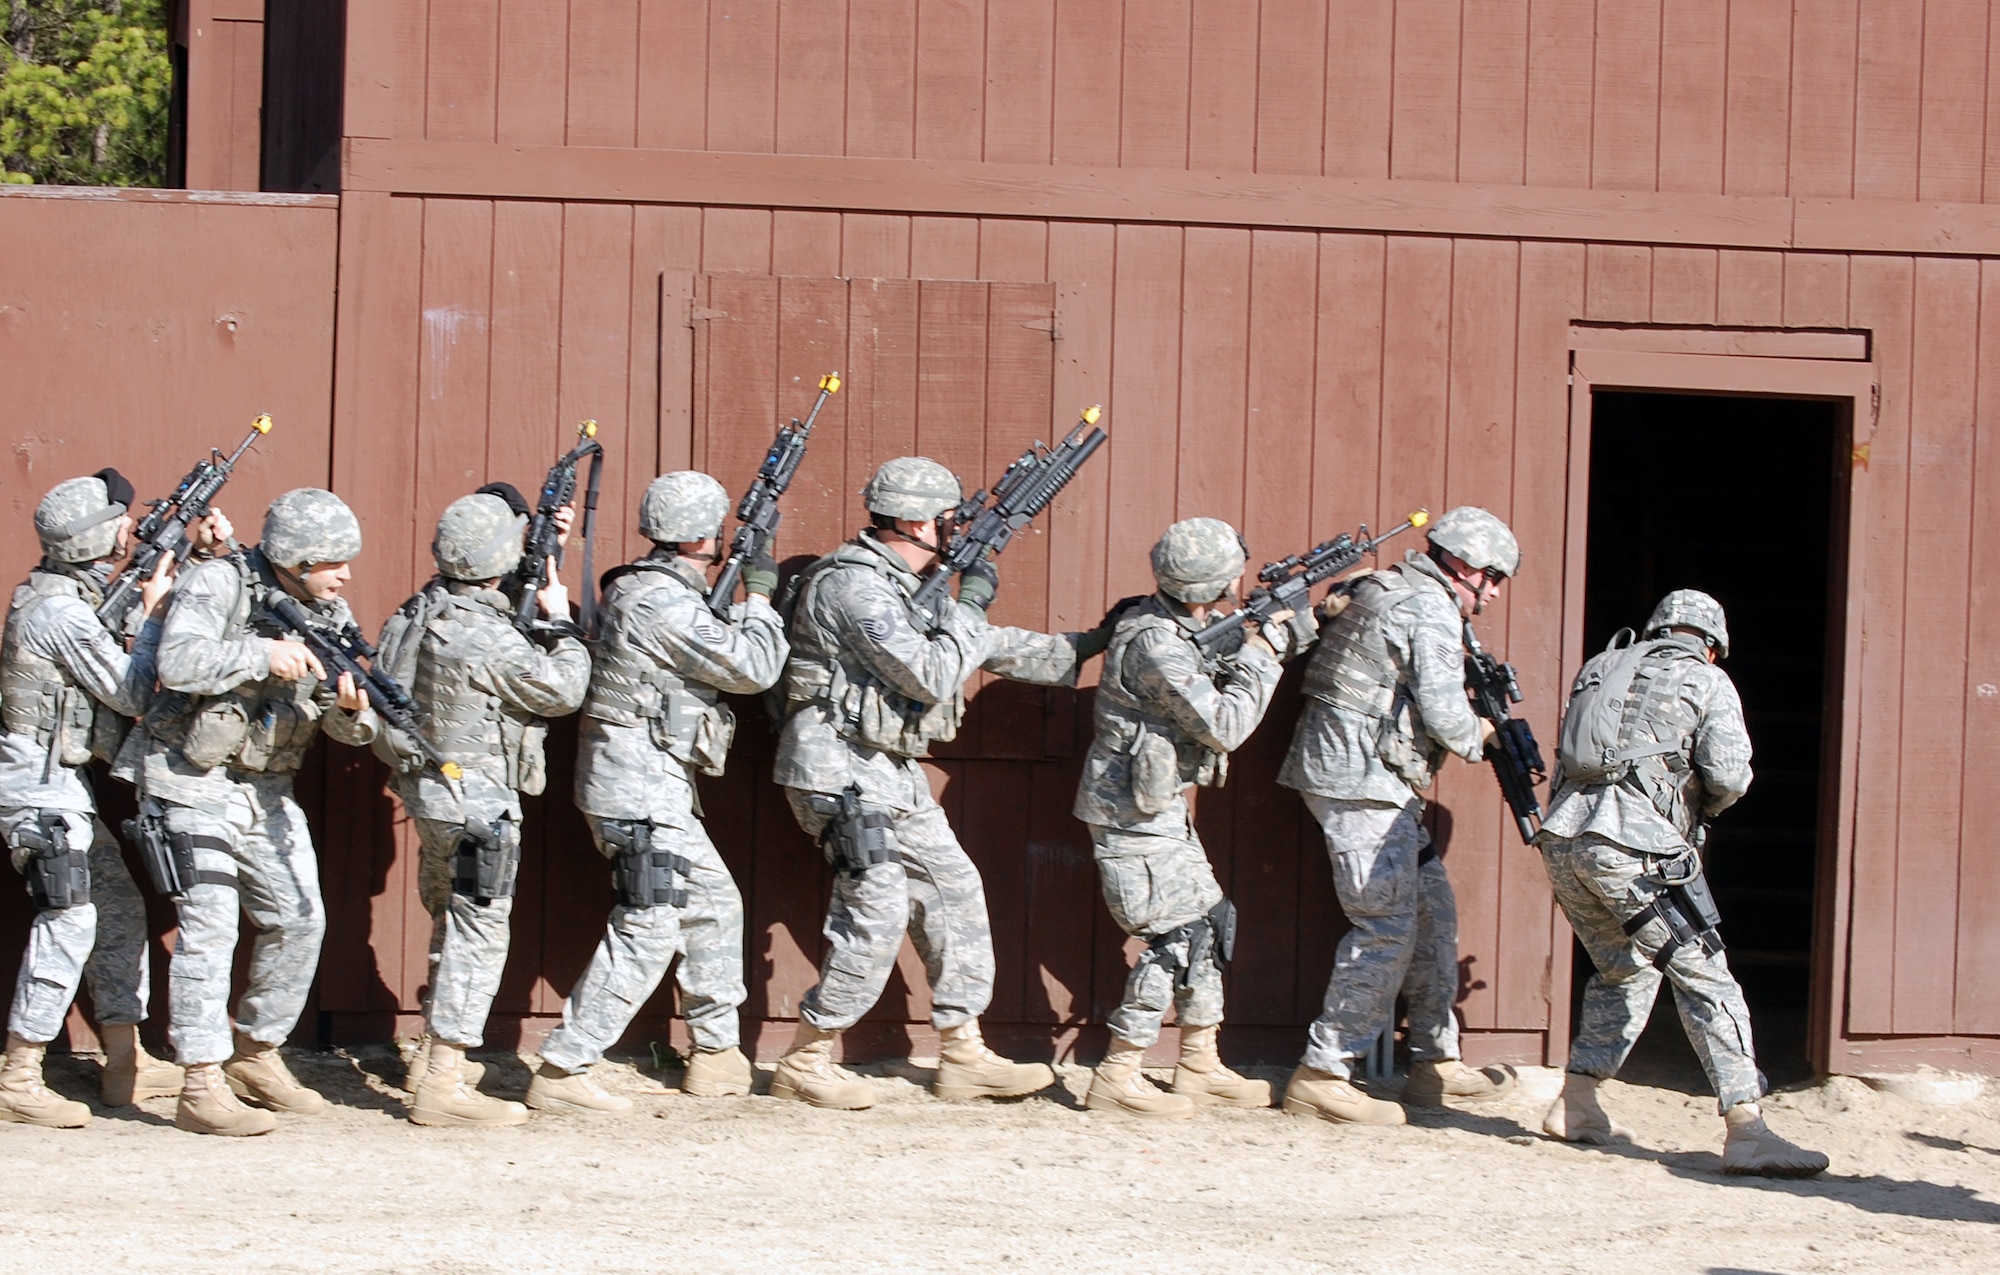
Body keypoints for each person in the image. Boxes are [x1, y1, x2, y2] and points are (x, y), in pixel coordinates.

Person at [767, 456, 1101, 1109]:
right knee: (882, 901)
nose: (956, 529)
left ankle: (962, 1051)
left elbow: (980, 642)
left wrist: (1092, 644)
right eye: (950, 518)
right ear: (918, 520)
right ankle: (805, 1056)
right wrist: (970, 600)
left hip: (888, 766)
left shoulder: (907, 586)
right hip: (835, 768)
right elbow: (928, 671)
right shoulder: (854, 587)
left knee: (953, 886)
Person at [1536, 589, 1827, 1177]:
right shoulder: (1709, 682)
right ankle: (1747, 1129)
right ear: (1712, 647)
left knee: (1626, 967)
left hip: (1564, 840)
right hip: (1635, 848)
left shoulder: (1601, 667)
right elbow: (1729, 774)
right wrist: (1700, 812)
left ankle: (1577, 1103)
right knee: (1707, 974)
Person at [528, 472, 786, 1115]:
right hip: (637, 787)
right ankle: (565, 1065)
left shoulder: (654, 589)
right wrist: (759, 594)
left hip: (650, 783)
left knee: (715, 902)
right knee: (649, 922)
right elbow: (754, 668)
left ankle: (716, 1054)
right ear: (704, 534)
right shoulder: (661, 603)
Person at [138, 489, 377, 1136]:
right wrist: (258, 654)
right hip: (192, 776)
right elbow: (177, 661)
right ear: (294, 559)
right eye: (332, 560)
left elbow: (347, 725)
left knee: (301, 918)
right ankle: (200, 1081)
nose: (346, 573)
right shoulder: (218, 582)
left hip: (266, 789)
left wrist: (352, 713)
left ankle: (257, 1053)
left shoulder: (327, 611)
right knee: (211, 925)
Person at [1279, 505, 1519, 1125]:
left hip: (1377, 781)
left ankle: (1433, 1064)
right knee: (1386, 924)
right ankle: (1322, 1071)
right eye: (1491, 577)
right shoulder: (1428, 606)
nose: (1492, 593)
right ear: (1461, 564)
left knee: (1432, 912)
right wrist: (1487, 733)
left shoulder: (1391, 586)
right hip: (1360, 783)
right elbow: (1444, 716)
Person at [377, 492, 589, 1127]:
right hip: (478, 805)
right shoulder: (486, 635)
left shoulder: (416, 612)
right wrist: (564, 627)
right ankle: (443, 1078)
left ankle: (428, 1056)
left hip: (428, 794)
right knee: (479, 929)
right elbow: (561, 690)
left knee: (452, 919)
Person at [1075, 518, 1295, 1118]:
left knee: (1209, 921)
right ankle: (1119, 1071)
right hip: (1130, 813)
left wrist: (1298, 622)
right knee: (1176, 935)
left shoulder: (1182, 626)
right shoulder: (1157, 644)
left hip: (1160, 806)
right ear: (1210, 585)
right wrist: (1266, 651)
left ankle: (1198, 1059)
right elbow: (1223, 726)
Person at [0, 472, 200, 1126]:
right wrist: (155, 611)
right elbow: (132, 693)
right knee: (71, 914)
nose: (126, 527)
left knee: (115, 902)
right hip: (38, 787)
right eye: (116, 520)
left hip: (62, 782)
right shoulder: (58, 612)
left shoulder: (67, 596)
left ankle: (124, 1059)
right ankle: (20, 1073)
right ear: (92, 536)